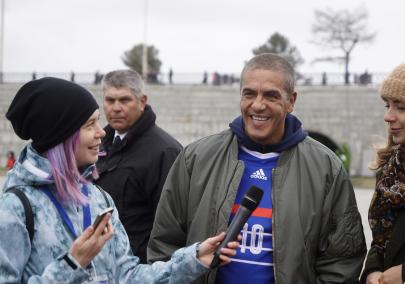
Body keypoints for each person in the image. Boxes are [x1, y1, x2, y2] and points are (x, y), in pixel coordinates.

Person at [147, 53, 366, 283]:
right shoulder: (196, 158)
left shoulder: (325, 168)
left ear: (291, 101)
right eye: (249, 94)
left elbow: (342, 261)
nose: (258, 105)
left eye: (271, 96)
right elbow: (164, 246)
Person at [0, 77, 238, 283]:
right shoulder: (16, 207)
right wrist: (72, 265)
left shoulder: (99, 199)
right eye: (89, 124)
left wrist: (194, 259)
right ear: (60, 135)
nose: (101, 132)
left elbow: (128, 277)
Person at [95, 69, 182, 263]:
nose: (116, 108)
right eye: (110, 100)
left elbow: (171, 225)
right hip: (99, 263)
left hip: (138, 267)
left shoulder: (165, 151)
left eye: (124, 100)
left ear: (142, 101)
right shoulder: (97, 143)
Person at [361, 57, 405, 284]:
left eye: (401, 107)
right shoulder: (391, 169)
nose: (388, 116)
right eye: (387, 105)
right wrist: (372, 272)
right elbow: (381, 242)